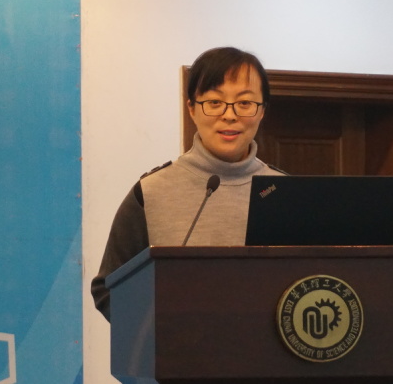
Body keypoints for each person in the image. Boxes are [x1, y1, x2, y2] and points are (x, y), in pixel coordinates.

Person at [90, 47, 285, 321]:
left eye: (244, 103)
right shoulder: (150, 192)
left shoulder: (286, 193)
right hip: (177, 347)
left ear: (262, 110)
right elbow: (108, 290)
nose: (230, 115)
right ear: (192, 108)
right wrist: (161, 332)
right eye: (214, 102)